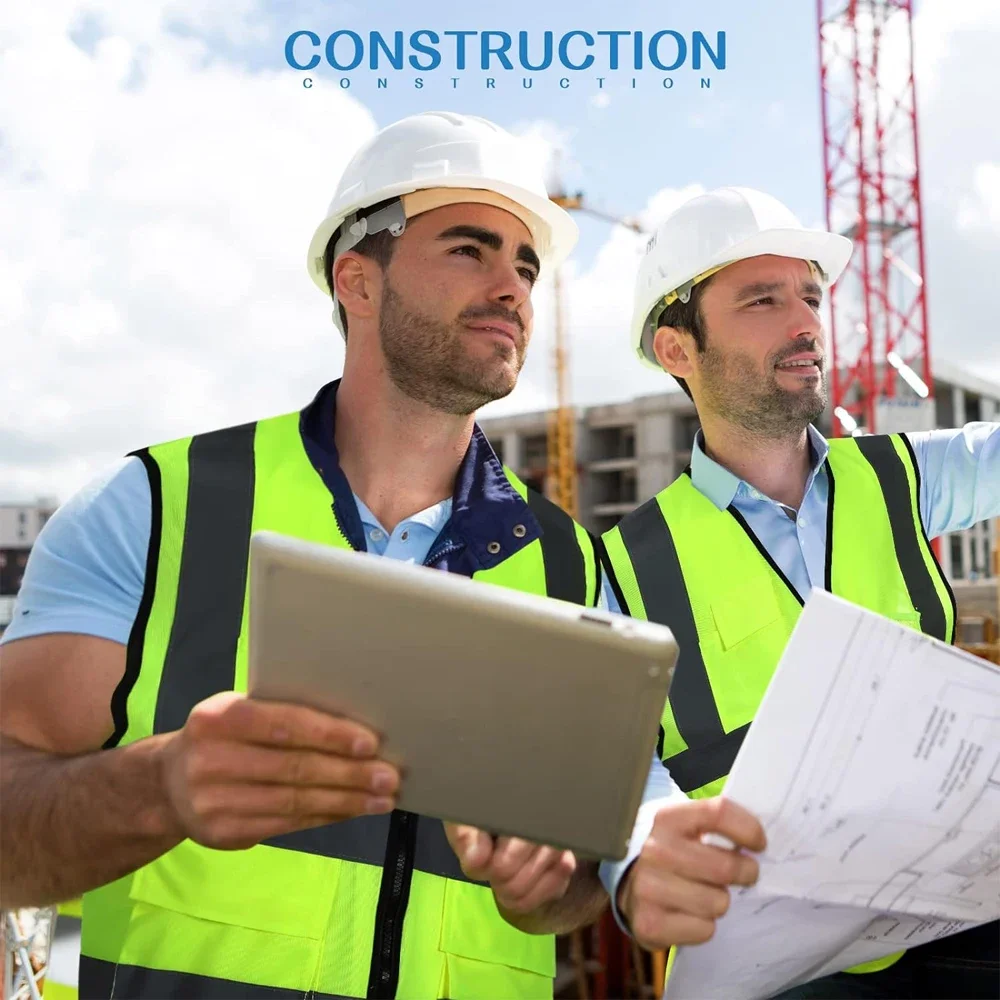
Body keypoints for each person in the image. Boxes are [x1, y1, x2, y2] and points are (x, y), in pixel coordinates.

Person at [0, 114, 762, 1000]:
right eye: (470, 250)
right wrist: (159, 787)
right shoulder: (156, 510)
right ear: (356, 279)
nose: (513, 288)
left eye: (525, 264)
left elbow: (579, 885)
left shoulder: (570, 568)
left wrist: (552, 886)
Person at [599, 186, 1000, 998]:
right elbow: (616, 767)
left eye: (811, 296)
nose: (806, 321)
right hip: (771, 964)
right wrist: (642, 862)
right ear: (679, 350)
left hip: (959, 920)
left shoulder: (900, 478)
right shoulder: (621, 567)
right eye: (763, 299)